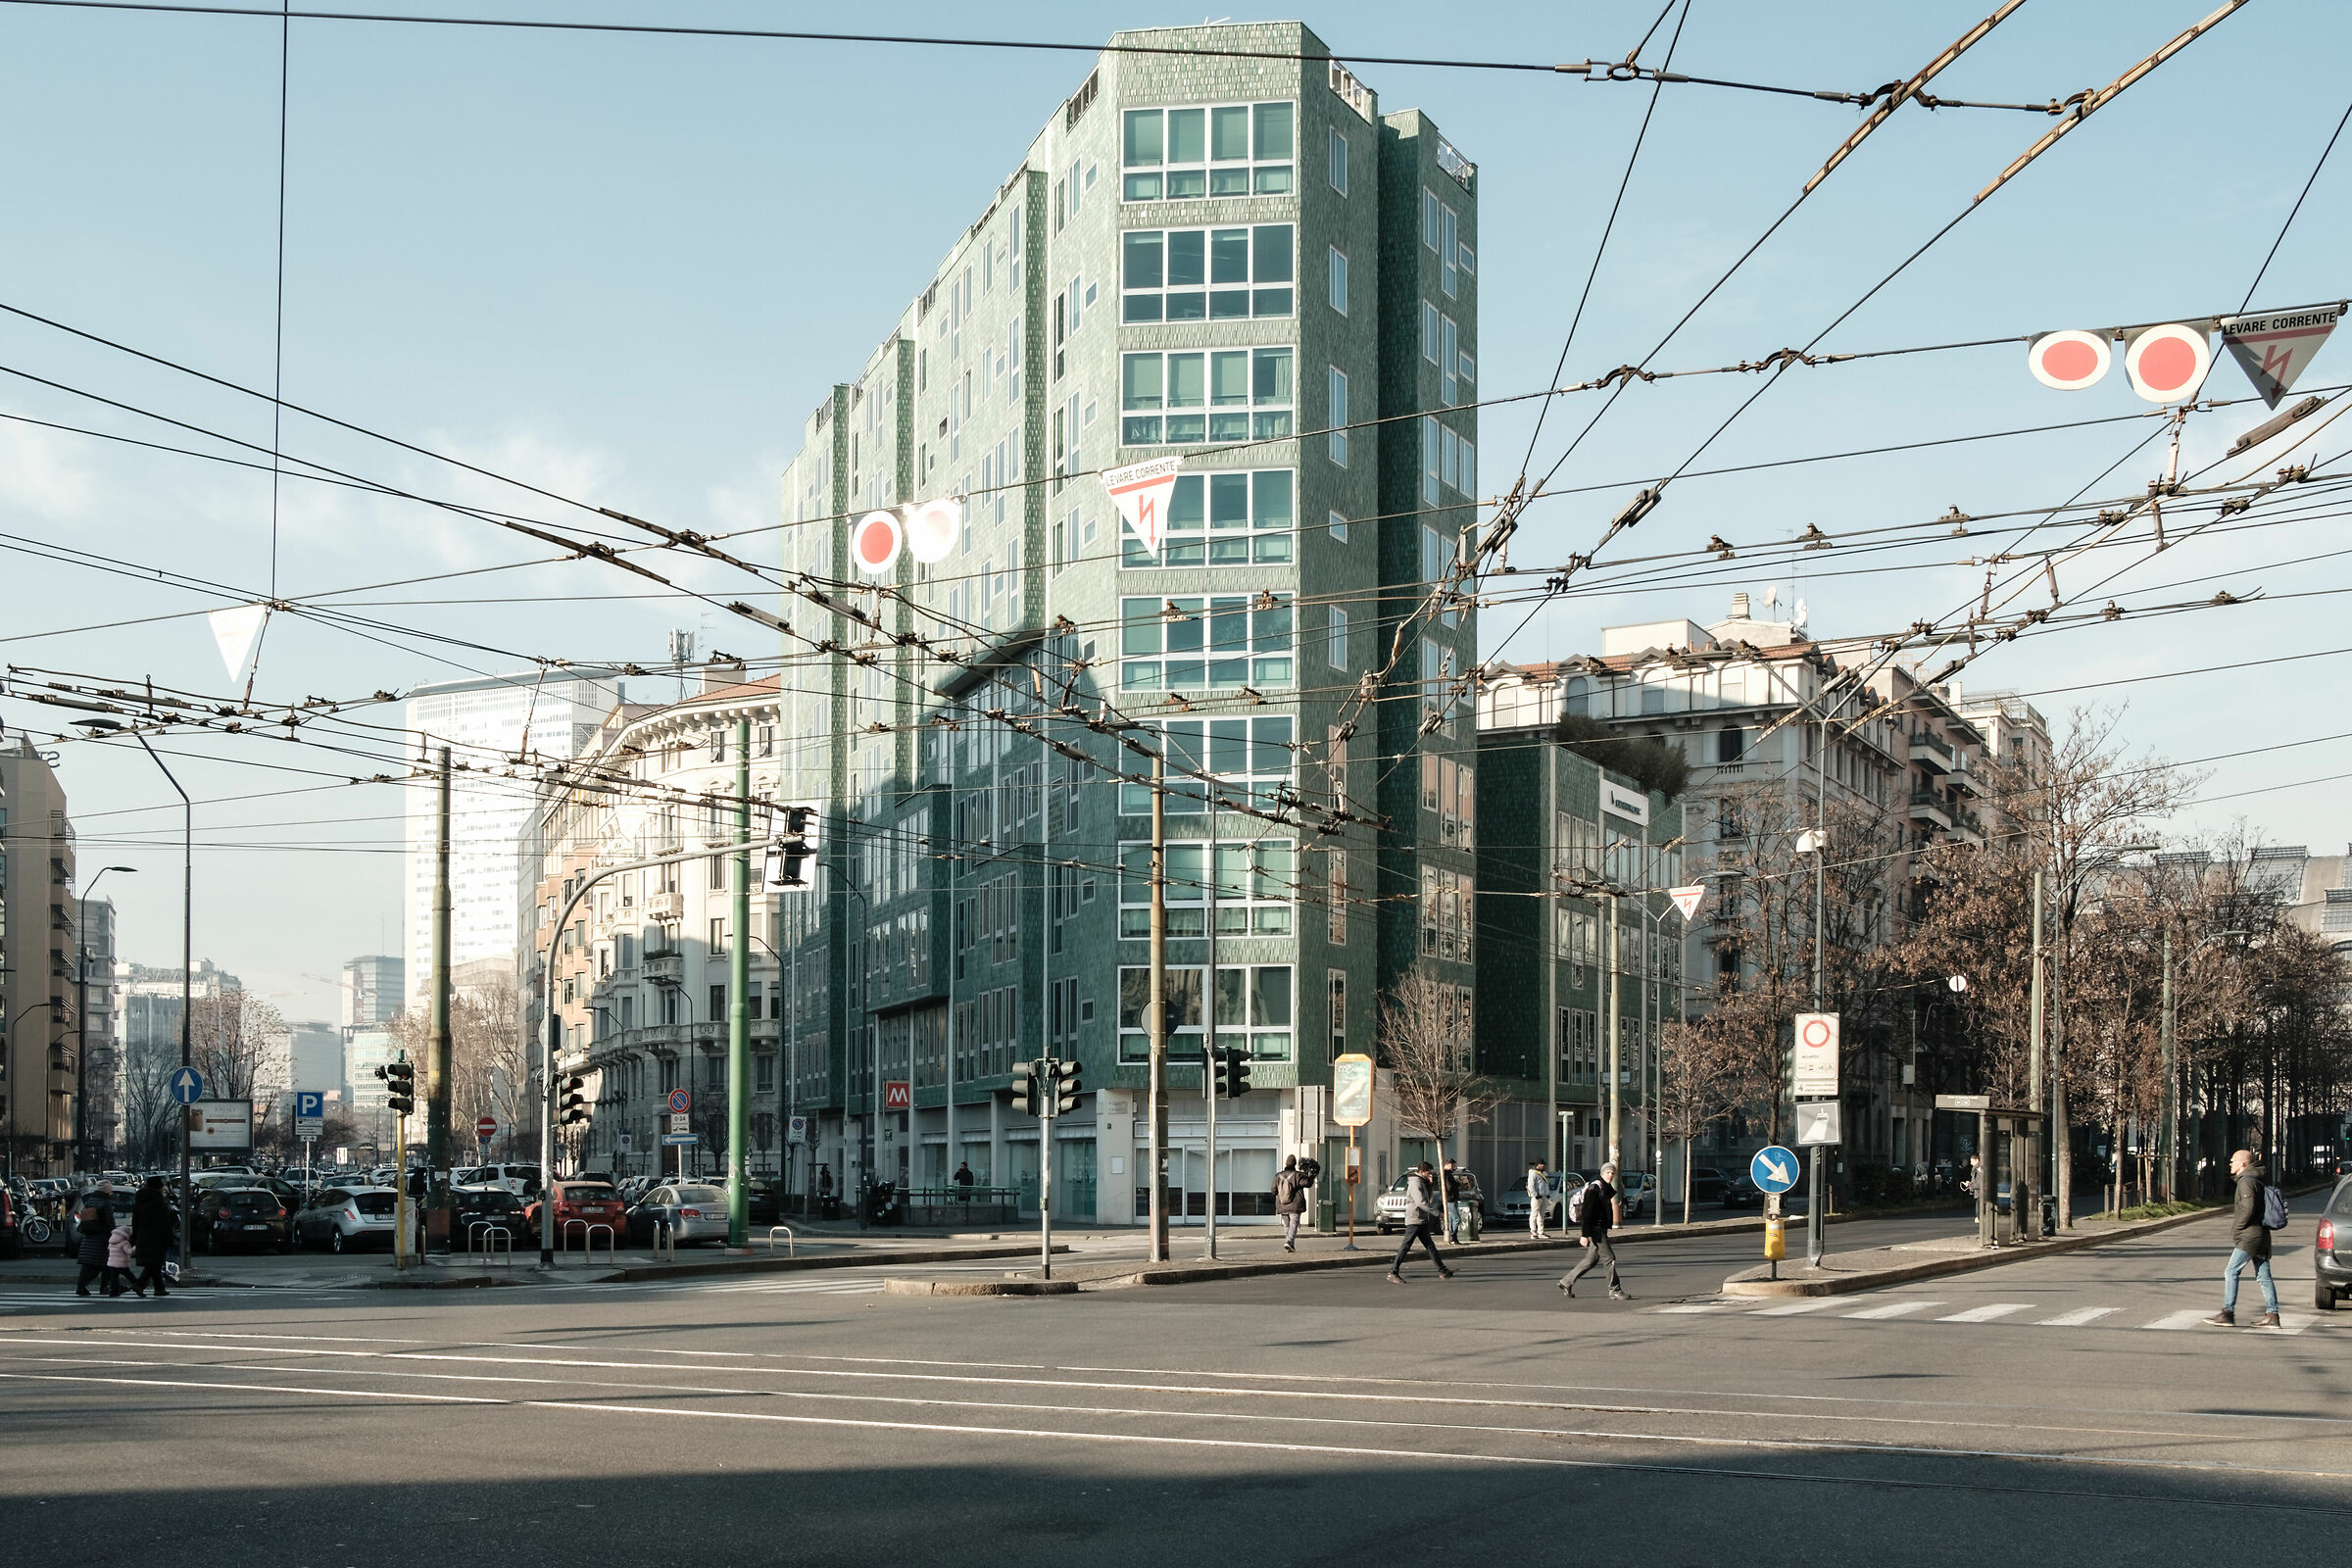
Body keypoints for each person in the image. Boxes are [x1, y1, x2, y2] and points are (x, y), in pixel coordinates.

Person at [2206, 1148, 2281, 1329]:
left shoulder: (2246, 1182)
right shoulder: (2256, 1179)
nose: (2230, 1164)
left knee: (2231, 1271)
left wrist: (2237, 1228)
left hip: (2250, 1235)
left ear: (2243, 1163)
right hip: (2261, 1234)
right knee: (2264, 1276)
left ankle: (2227, 1312)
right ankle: (2272, 1315)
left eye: (2233, 1160)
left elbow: (2248, 1209)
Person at [1559, 1160, 1630, 1300]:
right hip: (1595, 1229)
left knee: (1591, 1260)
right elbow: (1586, 1213)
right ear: (1602, 1173)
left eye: (1612, 1173)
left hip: (1600, 1228)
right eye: (1608, 1172)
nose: (1610, 1175)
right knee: (1609, 1258)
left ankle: (1566, 1282)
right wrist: (1584, 1234)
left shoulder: (1605, 1188)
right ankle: (1614, 1290)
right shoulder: (1595, 1189)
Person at [1387, 1161, 1454, 1284]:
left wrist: (1430, 1185)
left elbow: (1429, 1198)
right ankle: (1393, 1272)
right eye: (1428, 1173)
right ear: (1422, 1172)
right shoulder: (1415, 1183)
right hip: (1415, 1219)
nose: (1430, 1175)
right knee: (1405, 1247)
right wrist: (1437, 1213)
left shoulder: (1422, 1182)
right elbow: (1421, 1203)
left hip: (1421, 1220)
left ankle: (1443, 1270)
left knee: (1430, 1246)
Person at [128, 1177, 172, 1298]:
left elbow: (135, 1220)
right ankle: (139, 1284)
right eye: (162, 1186)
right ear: (158, 1187)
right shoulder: (158, 1201)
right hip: (156, 1236)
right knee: (154, 1263)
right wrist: (169, 1239)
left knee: (155, 1263)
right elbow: (163, 1223)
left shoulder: (140, 1200)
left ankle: (159, 1288)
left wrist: (135, 1236)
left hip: (143, 1234)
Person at [74, 1181, 117, 1298]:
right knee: (106, 1264)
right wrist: (115, 1234)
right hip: (102, 1238)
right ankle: (104, 1287)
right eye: (110, 1189)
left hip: (89, 1237)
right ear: (106, 1190)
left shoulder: (90, 1201)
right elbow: (110, 1222)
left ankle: (81, 1287)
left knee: (88, 1265)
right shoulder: (105, 1203)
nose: (111, 1192)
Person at [1274, 1154, 1310, 1252]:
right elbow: (1307, 1183)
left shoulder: (1278, 1176)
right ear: (1294, 1164)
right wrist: (1308, 1173)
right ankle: (1289, 1242)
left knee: (1287, 1226)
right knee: (1293, 1224)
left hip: (1282, 1205)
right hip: (1295, 1205)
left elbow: (1273, 1191)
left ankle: (1290, 1245)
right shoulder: (1298, 1175)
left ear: (1286, 1163)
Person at [102, 1217, 135, 1298]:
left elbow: (108, 1249)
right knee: (130, 1276)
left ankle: (114, 1291)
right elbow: (129, 1252)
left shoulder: (111, 1241)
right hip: (122, 1263)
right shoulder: (124, 1242)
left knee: (114, 1278)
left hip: (112, 1263)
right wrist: (135, 1247)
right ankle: (138, 1285)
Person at [1526, 1160, 1553, 1241]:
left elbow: (1546, 1185)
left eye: (1543, 1164)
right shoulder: (1533, 1173)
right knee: (1534, 1214)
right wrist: (1535, 1194)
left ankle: (1541, 1232)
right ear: (1537, 1165)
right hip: (1537, 1197)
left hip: (1544, 1196)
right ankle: (1533, 1232)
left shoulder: (1544, 1174)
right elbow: (1531, 1185)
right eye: (1541, 1164)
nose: (1543, 1166)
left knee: (1541, 1215)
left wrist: (1547, 1193)